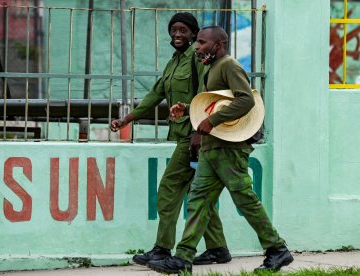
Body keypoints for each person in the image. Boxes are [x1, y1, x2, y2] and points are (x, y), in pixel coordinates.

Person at [147, 26, 294, 274]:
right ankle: (183, 259)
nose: (197, 47)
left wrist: (212, 121)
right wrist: (187, 108)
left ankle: (277, 249)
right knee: (198, 201)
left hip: (230, 150)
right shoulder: (211, 67)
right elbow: (214, 102)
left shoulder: (229, 65)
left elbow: (245, 99)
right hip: (211, 147)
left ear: (219, 44)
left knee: (245, 199)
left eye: (202, 43)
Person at [110, 14, 231, 266]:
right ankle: (218, 248)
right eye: (173, 30)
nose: (177, 34)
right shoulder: (174, 62)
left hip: (194, 136)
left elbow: (205, 96)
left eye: (183, 31)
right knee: (198, 192)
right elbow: (155, 95)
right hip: (186, 137)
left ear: (194, 35)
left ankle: (163, 248)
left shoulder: (198, 59)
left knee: (168, 189)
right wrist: (126, 120)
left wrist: (199, 131)